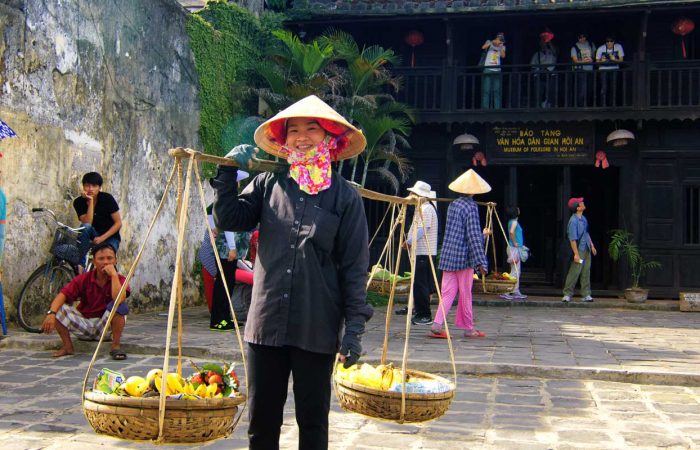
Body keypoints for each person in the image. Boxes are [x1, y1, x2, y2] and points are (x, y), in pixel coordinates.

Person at [212, 95, 373, 450]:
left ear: (329, 137)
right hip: (266, 323)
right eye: (293, 130)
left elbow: (354, 268)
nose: (302, 137)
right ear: (283, 139)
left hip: (316, 326)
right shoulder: (268, 184)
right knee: (261, 423)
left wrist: (354, 331)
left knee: (312, 424)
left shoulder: (345, 198)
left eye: (311, 129)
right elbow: (230, 218)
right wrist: (227, 172)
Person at [40, 242, 130, 359]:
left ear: (115, 261)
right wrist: (51, 313)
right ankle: (67, 346)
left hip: (105, 328)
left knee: (120, 306)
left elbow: (118, 299)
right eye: (101, 259)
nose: (106, 262)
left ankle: (115, 347)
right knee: (58, 308)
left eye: (109, 258)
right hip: (84, 325)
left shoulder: (121, 279)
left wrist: (113, 275)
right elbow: (63, 295)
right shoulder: (83, 279)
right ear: (94, 261)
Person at [430, 169, 490, 339]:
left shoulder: (453, 205)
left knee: (447, 293)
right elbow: (472, 236)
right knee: (465, 294)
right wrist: (481, 262)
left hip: (449, 255)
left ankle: (437, 324)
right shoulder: (471, 207)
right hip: (464, 258)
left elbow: (457, 232)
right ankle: (469, 328)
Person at [394, 181, 439, 325]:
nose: (410, 195)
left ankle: (424, 315)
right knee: (419, 284)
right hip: (421, 252)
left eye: (413, 193)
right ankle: (419, 311)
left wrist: (409, 242)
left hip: (424, 252)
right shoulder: (422, 208)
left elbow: (422, 229)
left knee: (421, 285)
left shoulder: (426, 209)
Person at [73, 172, 122, 265]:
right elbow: (87, 223)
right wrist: (90, 202)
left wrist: (102, 238)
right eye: (87, 185)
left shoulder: (107, 198)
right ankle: (81, 264)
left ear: (99, 188)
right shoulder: (78, 202)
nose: (90, 189)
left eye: (94, 186)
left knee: (107, 261)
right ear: (83, 187)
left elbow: (118, 223)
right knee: (85, 227)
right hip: (93, 235)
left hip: (110, 237)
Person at [562, 197, 597, 303]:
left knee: (586, 271)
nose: (583, 203)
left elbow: (586, 233)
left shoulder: (584, 219)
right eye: (581, 202)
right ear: (577, 208)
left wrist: (592, 245)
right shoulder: (573, 221)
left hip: (586, 248)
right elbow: (572, 239)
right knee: (575, 271)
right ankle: (567, 294)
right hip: (578, 250)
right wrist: (576, 254)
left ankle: (586, 294)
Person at [501, 206, 527, 300]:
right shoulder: (514, 222)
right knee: (515, 271)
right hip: (514, 248)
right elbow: (512, 232)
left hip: (513, 248)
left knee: (515, 270)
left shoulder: (511, 221)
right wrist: (515, 242)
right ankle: (507, 291)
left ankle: (515, 290)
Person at [530, 30, 558, 108]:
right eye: (542, 43)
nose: (543, 44)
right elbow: (532, 66)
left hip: (550, 75)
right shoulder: (536, 54)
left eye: (544, 42)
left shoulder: (551, 52)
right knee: (538, 94)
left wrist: (548, 40)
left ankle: (550, 108)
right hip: (539, 76)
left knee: (550, 93)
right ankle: (538, 108)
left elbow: (554, 51)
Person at [596, 36, 625, 106]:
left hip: (614, 69)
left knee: (614, 87)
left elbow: (621, 60)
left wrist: (614, 59)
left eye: (611, 41)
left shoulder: (618, 47)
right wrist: (602, 61)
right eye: (607, 41)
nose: (609, 43)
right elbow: (597, 62)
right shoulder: (601, 48)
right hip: (603, 69)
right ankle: (603, 105)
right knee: (604, 88)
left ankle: (613, 105)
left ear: (614, 42)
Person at [481, 32, 506, 109]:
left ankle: (497, 109)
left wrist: (500, 46)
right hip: (488, 69)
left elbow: (503, 56)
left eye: (501, 38)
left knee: (497, 90)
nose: (500, 39)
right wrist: (492, 42)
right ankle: (485, 108)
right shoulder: (489, 42)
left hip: (497, 70)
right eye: (499, 37)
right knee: (486, 90)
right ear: (496, 37)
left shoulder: (502, 46)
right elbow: (483, 47)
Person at [570, 33, 596, 107]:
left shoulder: (590, 44)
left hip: (590, 70)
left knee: (590, 89)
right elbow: (575, 60)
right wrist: (583, 61)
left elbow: (594, 55)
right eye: (580, 37)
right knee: (582, 90)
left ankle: (589, 106)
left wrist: (592, 59)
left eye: (583, 37)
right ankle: (581, 107)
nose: (582, 39)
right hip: (581, 70)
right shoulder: (574, 47)